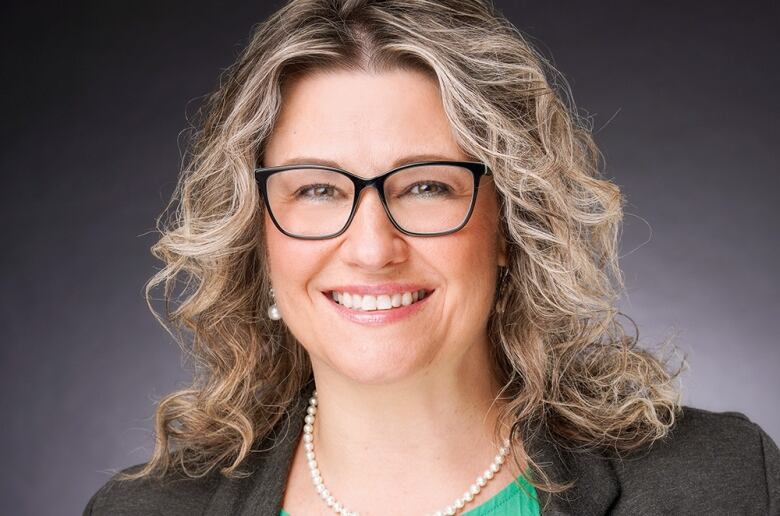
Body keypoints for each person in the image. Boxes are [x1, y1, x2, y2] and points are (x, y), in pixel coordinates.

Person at [83, 0, 780, 515]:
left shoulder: (725, 484)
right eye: (318, 189)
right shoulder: (140, 511)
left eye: (425, 186)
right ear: (255, 234)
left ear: (510, 223)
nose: (371, 248)